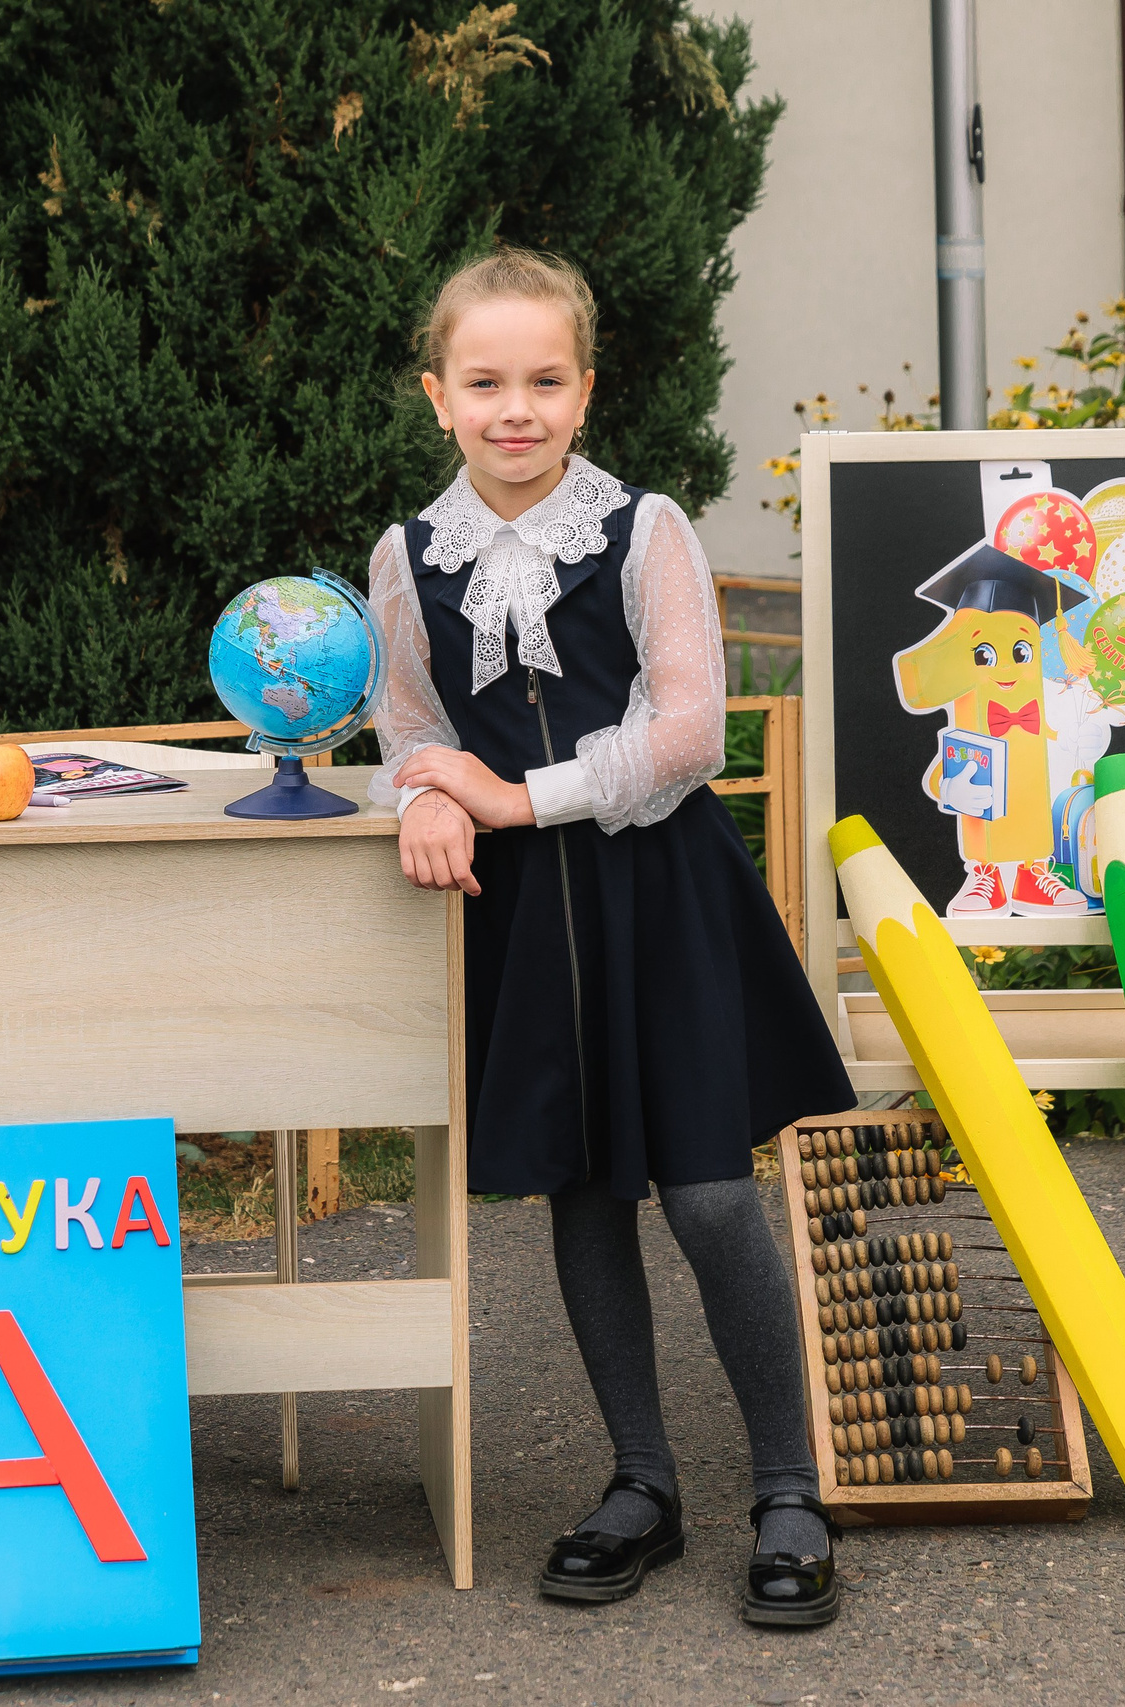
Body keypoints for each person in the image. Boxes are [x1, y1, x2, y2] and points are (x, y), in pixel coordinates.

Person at [365, 246, 859, 1627]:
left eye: (542, 380)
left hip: (660, 894)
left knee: (705, 1193)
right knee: (583, 1193)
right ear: (436, 395)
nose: (512, 408)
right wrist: (422, 793)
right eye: (483, 382)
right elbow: (404, 716)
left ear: (585, 390)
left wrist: (516, 797)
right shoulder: (409, 556)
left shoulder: (646, 529)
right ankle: (643, 1481)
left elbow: (692, 731)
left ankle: (787, 1484)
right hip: (527, 923)